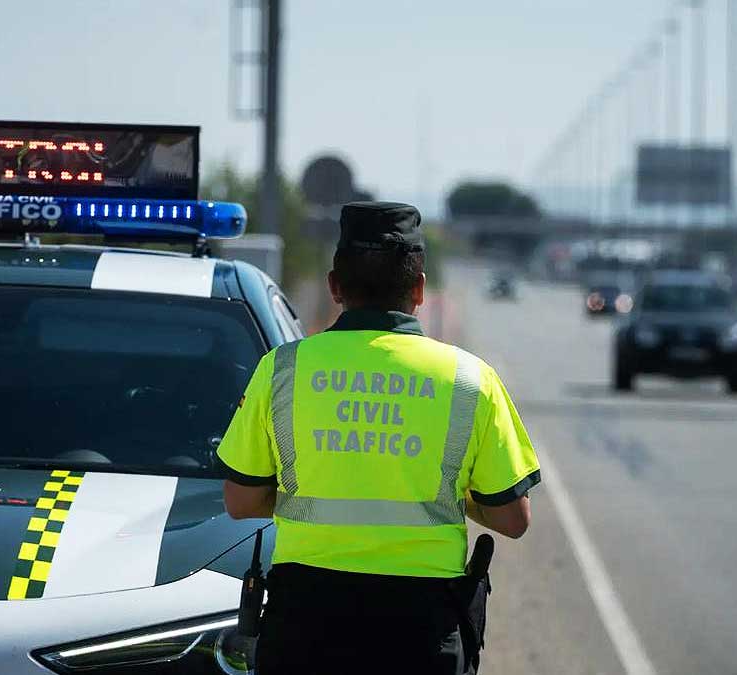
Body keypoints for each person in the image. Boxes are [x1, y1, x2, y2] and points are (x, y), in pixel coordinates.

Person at [215, 201, 540, 675]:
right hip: (421, 633)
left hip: (305, 626)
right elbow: (512, 518)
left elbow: (240, 502)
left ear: (335, 286)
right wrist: (448, 493)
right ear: (420, 289)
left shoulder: (282, 369)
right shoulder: (471, 380)